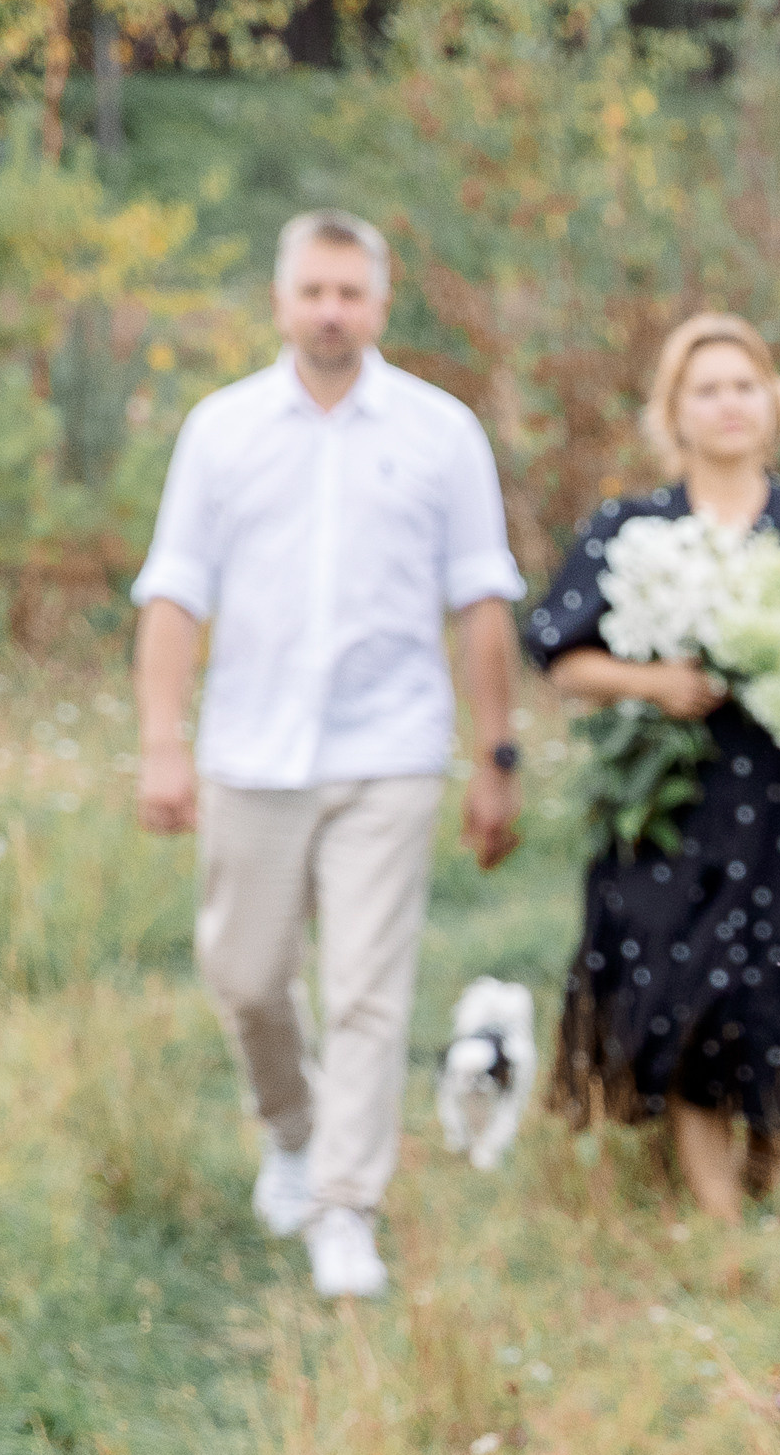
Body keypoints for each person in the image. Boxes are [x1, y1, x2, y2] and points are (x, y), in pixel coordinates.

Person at [133, 210, 526, 1301]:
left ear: (380, 304)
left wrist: (496, 755)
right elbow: (174, 592)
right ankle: (293, 1133)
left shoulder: (441, 433)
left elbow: (481, 600)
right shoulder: (221, 431)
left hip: (389, 749)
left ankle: (345, 1206)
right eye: (313, 291)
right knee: (247, 977)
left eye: (350, 293)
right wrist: (161, 743)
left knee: (365, 988)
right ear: (281, 299)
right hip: (250, 751)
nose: (331, 311)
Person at [527, 313, 780, 1220]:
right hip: (671, 794)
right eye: (707, 389)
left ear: (774, 402)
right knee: (682, 968)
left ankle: (763, 1164)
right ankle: (714, 1209)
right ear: (675, 411)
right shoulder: (633, 530)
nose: (730, 404)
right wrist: (655, 683)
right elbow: (558, 653)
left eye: (745, 385)